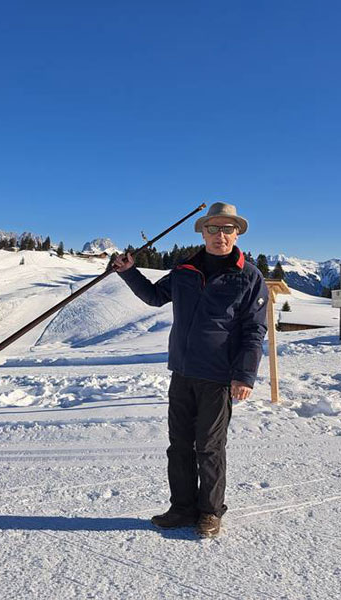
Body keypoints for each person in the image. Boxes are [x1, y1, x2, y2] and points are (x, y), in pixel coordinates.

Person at [112, 202, 269, 538]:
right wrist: (128, 272)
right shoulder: (185, 270)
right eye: (213, 228)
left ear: (237, 233)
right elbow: (155, 297)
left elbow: (254, 330)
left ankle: (210, 512)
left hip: (218, 376)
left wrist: (245, 375)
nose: (220, 236)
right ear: (203, 232)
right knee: (179, 444)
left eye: (228, 229)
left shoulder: (249, 276)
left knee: (209, 446)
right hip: (182, 371)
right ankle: (182, 508)